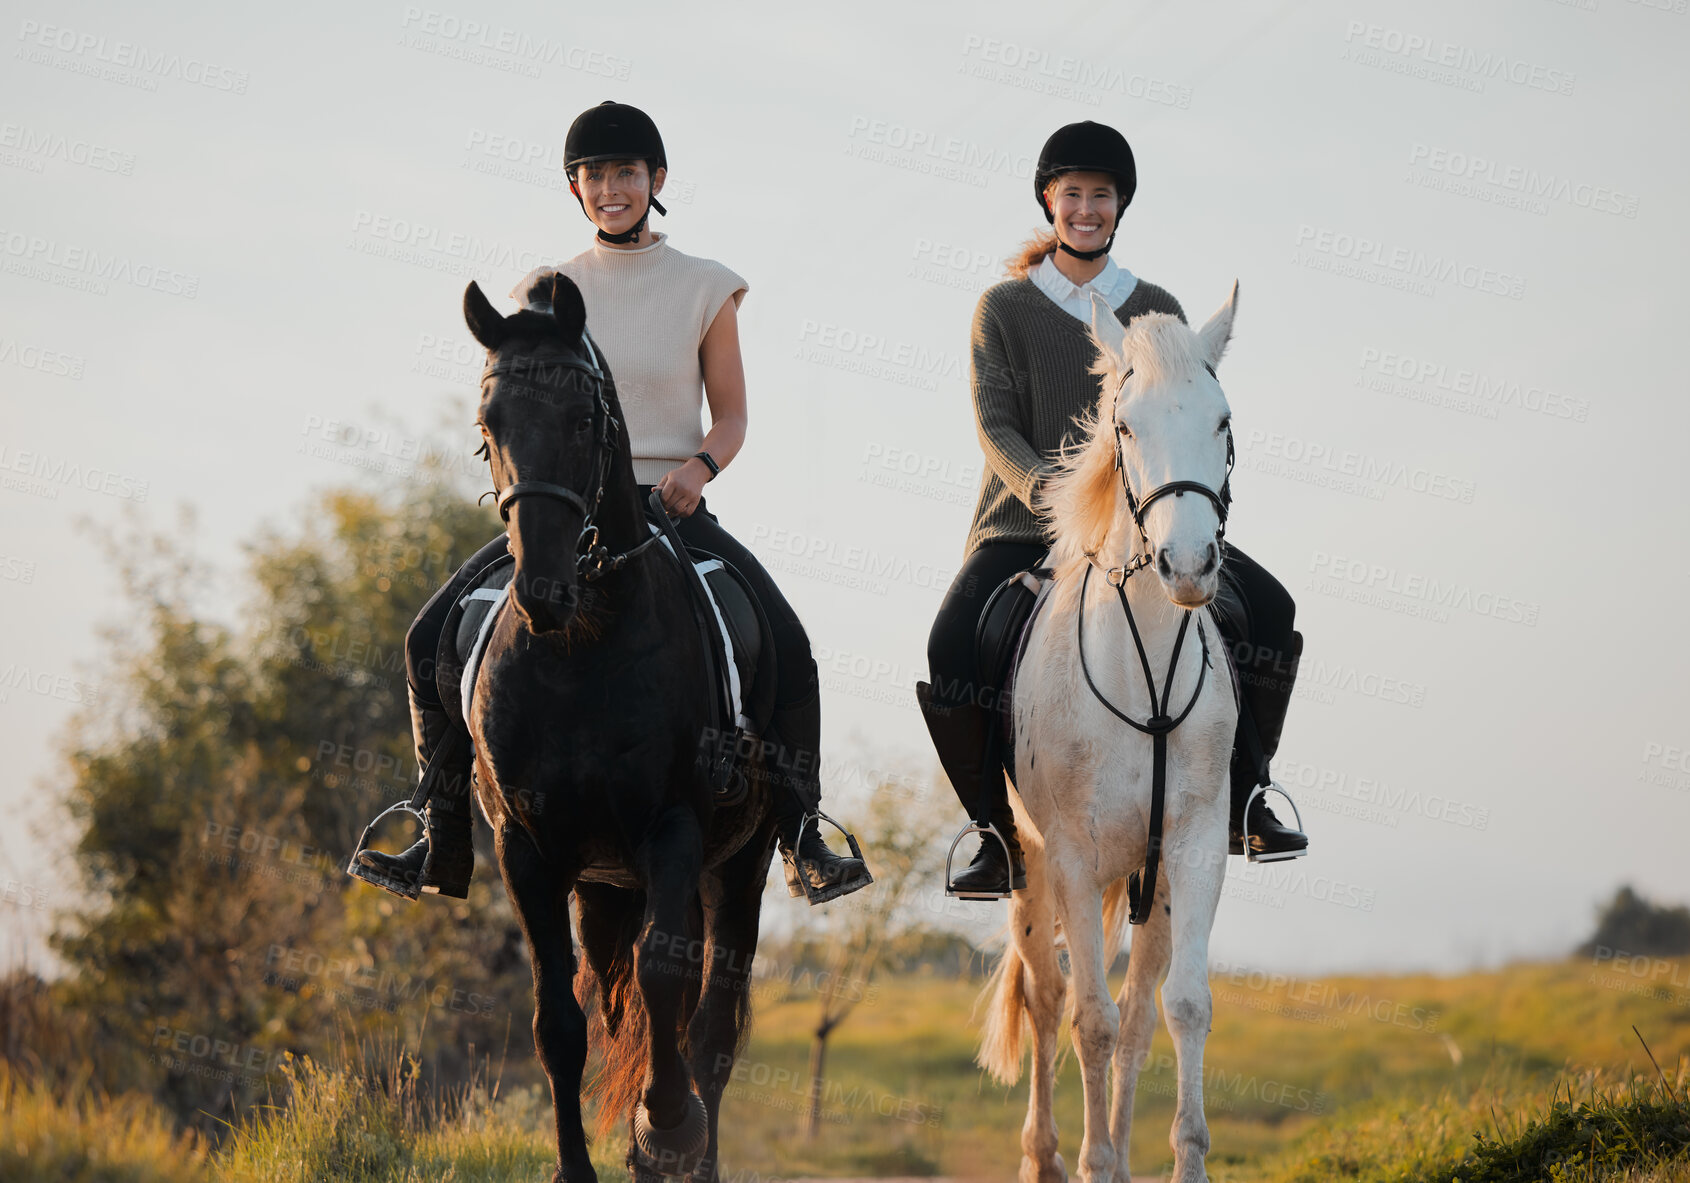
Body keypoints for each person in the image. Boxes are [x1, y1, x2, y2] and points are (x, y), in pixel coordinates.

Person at [357, 101, 870, 905]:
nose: (611, 188)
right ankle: (438, 825)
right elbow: (522, 406)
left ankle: (802, 830)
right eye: (594, 176)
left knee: (788, 640)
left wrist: (698, 469)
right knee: (429, 634)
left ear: (656, 181)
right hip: (562, 512)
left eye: (627, 173)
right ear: (576, 190)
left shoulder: (706, 286)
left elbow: (732, 416)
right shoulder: (545, 290)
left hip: (673, 504)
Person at [916, 120, 1309, 899]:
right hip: (1025, 527)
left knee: (1270, 608)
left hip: (1143, 525)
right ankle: (994, 831)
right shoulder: (1002, 308)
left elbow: (1190, 406)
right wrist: (1050, 495)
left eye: (1102, 196)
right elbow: (996, 426)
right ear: (1049, 201)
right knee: (949, 645)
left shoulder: (1155, 307)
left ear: (1120, 206)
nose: (1086, 208)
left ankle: (1249, 793)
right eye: (1073, 194)